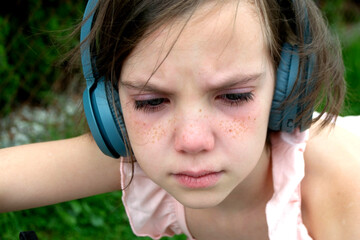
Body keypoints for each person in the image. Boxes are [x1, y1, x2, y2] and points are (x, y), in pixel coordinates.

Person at [1, 0, 360, 239]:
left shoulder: (339, 185)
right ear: (111, 109)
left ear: (287, 86)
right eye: (151, 101)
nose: (191, 140)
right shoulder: (143, 154)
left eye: (234, 96)